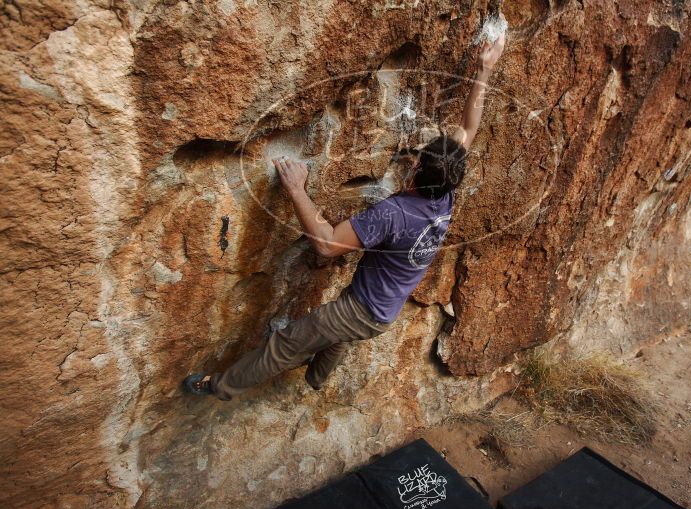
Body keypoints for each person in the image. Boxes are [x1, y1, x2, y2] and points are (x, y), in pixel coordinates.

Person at [183, 29, 506, 400]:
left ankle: (217, 386)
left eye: (417, 159)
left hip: (363, 310)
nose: (413, 157)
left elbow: (326, 245)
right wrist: (483, 70)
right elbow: (468, 128)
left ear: (416, 171)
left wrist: (296, 190)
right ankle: (317, 379)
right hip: (385, 306)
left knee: (289, 341)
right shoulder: (446, 191)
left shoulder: (394, 213)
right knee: (337, 334)